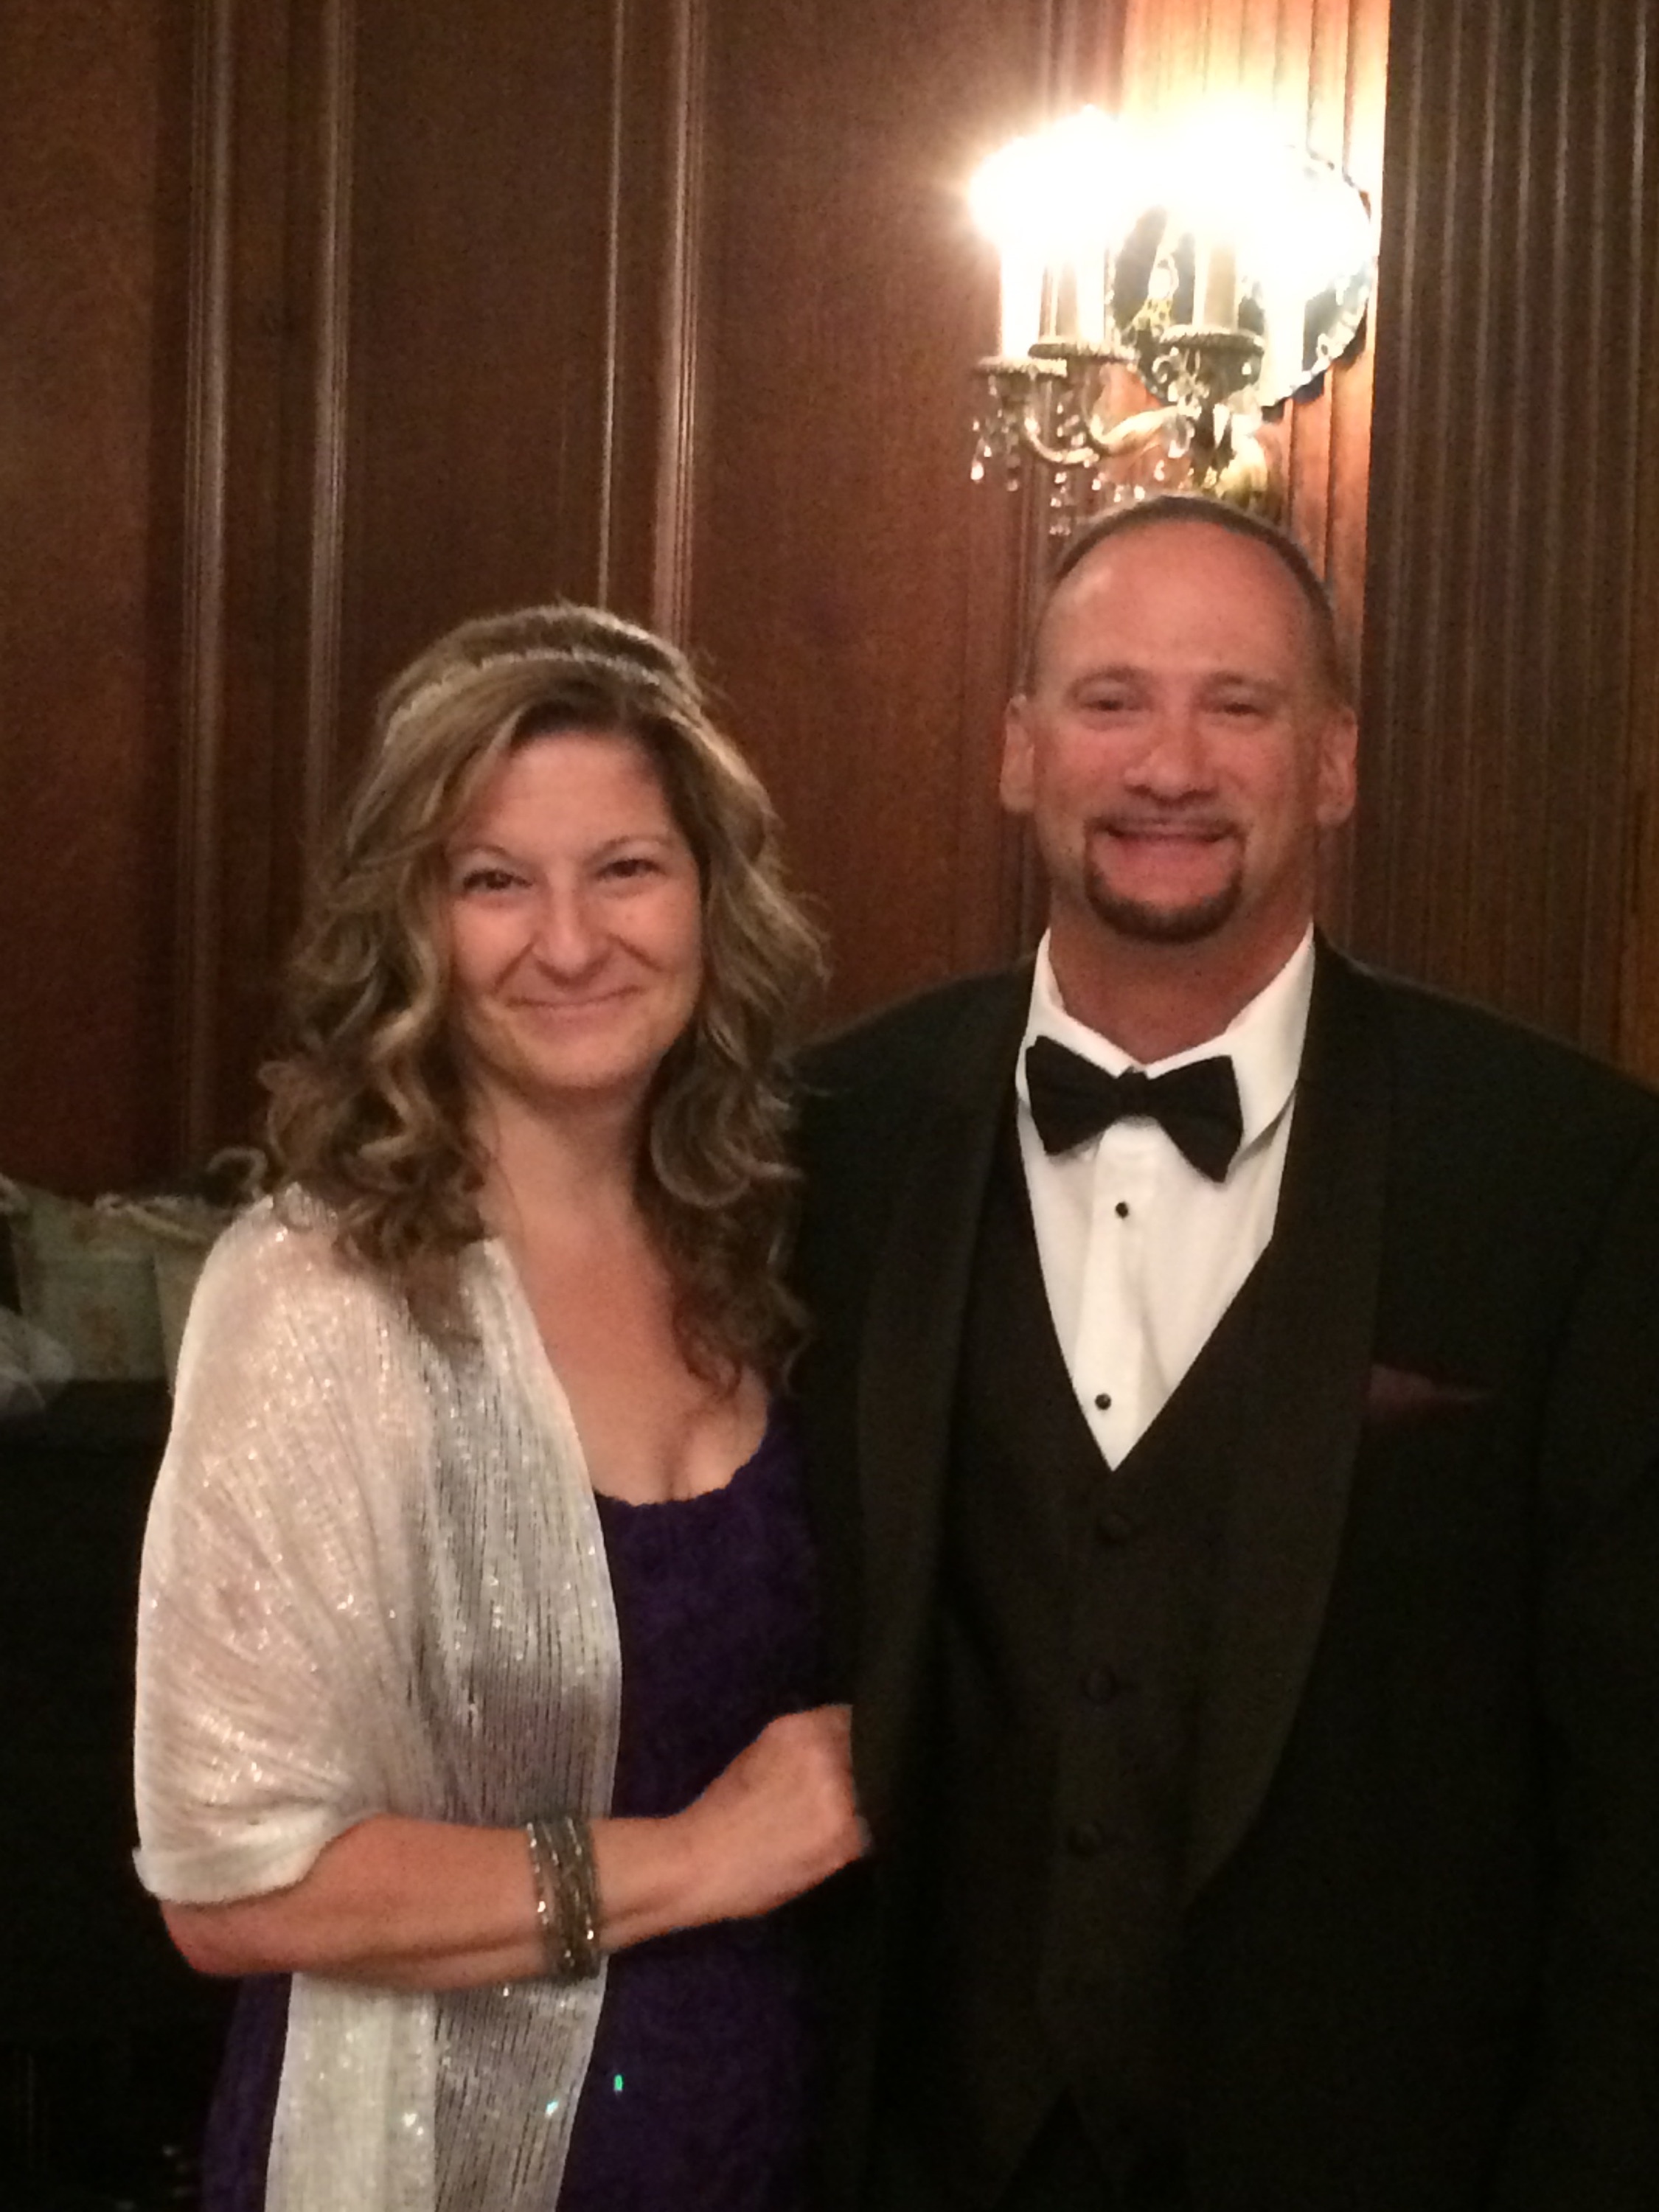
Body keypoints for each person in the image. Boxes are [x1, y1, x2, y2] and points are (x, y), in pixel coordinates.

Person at [793, 495, 1659, 2211]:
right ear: (1020, 751)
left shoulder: (1570, 1176)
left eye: (1237, 705)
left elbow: (1638, 1812)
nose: (1169, 765)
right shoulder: (821, 1143)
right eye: (1111, 701)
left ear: (1332, 762)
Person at [133, 602, 863, 2212]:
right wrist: (696, 1859)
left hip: (789, 2139)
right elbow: (231, 1884)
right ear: (413, 924)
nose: (571, 941)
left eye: (626, 868)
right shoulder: (320, 1297)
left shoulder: (776, 1250)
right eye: (493, 882)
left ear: (711, 897)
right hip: (441, 2167)